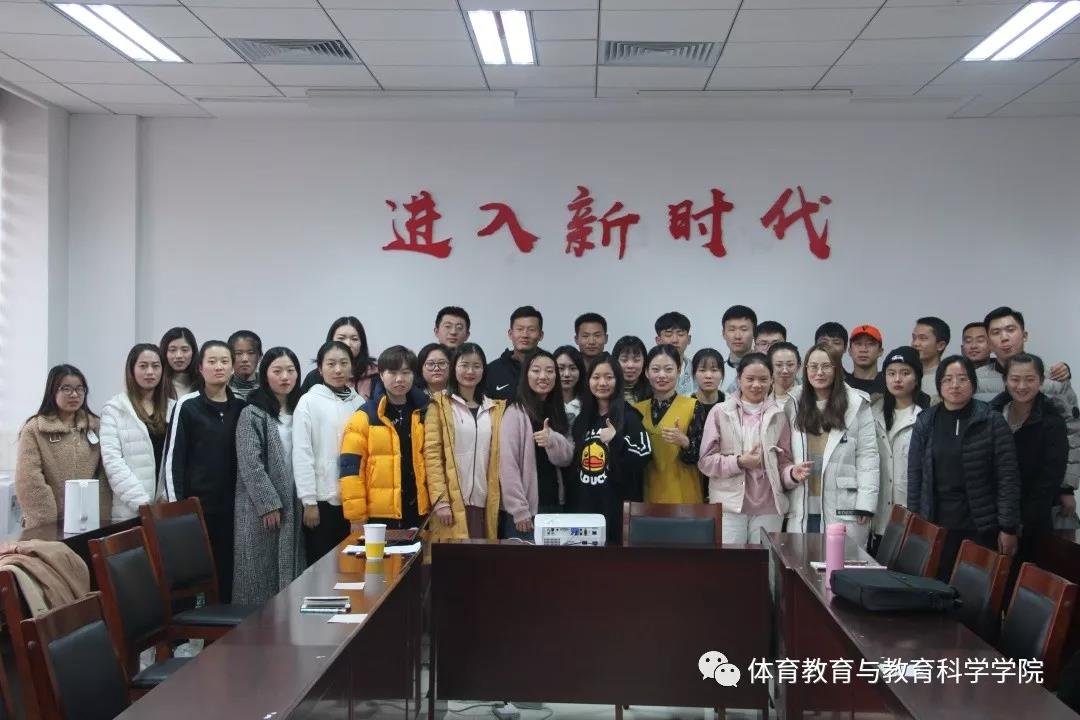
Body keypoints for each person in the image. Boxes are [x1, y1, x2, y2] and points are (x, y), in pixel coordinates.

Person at [907, 355, 1020, 579]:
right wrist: (915, 520)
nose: (955, 385)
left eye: (962, 379)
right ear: (939, 385)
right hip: (936, 522)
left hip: (980, 525)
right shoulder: (926, 421)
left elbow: (1008, 477)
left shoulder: (991, 420)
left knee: (975, 590)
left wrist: (1008, 527)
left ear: (973, 384)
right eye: (947, 379)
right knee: (935, 586)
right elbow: (915, 474)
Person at [975, 306, 1078, 533]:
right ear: (989, 342)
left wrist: (1067, 487)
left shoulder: (1053, 379)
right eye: (996, 332)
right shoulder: (975, 381)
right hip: (994, 493)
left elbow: (1073, 431)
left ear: (1025, 335)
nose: (1004, 337)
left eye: (1010, 330)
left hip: (1044, 489)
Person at [162, 340, 246, 601]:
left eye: (224, 361)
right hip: (196, 508)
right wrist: (177, 509)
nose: (218, 367)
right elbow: (172, 460)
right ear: (200, 368)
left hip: (233, 508)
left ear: (232, 368)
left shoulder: (241, 407)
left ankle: (224, 622)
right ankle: (191, 625)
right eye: (212, 361)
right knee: (194, 577)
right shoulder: (187, 406)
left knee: (227, 573)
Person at [699, 354, 812, 544]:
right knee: (731, 561)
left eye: (763, 379)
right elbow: (706, 462)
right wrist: (740, 462)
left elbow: (783, 464)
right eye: (750, 379)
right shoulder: (720, 412)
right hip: (730, 507)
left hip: (769, 508)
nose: (756, 385)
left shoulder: (779, 415)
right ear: (738, 379)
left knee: (764, 560)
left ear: (771, 380)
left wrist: (792, 474)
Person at [787, 343, 880, 547]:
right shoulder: (793, 402)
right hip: (802, 503)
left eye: (826, 366)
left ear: (837, 369)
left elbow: (868, 456)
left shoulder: (856, 404)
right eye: (813, 367)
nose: (819, 372)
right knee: (802, 561)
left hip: (842, 504)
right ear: (805, 370)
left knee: (839, 563)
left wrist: (866, 503)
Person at [233, 347, 305, 605]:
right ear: (265, 375)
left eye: (290, 370)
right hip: (259, 508)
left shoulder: (302, 409)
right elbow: (250, 463)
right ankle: (254, 626)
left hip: (294, 501)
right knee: (258, 573)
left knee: (291, 569)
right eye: (277, 371)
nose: (285, 377)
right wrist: (268, 503)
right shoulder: (252, 412)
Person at [340, 346, 431, 531]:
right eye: (393, 372)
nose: (400, 379)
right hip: (379, 516)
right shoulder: (365, 416)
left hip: (419, 512)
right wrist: (356, 517)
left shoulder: (425, 412)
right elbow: (351, 470)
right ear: (381, 375)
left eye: (406, 372)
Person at [424, 343, 505, 541]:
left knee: (481, 557)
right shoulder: (439, 405)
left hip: (484, 503)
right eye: (464, 365)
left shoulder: (494, 409)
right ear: (454, 368)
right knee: (452, 558)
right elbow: (432, 456)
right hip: (451, 505)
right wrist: (441, 501)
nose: (470, 371)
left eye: (476, 366)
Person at [567, 353, 651, 543]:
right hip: (584, 510)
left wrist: (616, 439)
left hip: (617, 511)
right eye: (596, 377)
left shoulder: (630, 416)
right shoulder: (582, 419)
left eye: (609, 377)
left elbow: (643, 456)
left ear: (618, 380)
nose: (602, 383)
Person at [988, 353, 1067, 553]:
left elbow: (1049, 480)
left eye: (1030, 379)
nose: (1022, 386)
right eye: (1015, 379)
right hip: (989, 517)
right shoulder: (991, 414)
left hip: (1031, 522)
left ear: (1041, 380)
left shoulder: (1053, 422)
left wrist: (1017, 524)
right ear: (1005, 380)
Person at [292, 341, 362, 566]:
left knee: (352, 566)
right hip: (321, 501)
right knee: (322, 567)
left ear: (351, 366)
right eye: (331, 364)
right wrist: (309, 501)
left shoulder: (359, 403)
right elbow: (302, 453)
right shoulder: (308, 401)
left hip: (353, 502)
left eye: (344, 363)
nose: (338, 370)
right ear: (320, 369)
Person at [15, 365, 110, 529]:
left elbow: (104, 473)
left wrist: (100, 515)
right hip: (49, 523)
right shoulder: (35, 429)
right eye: (66, 388)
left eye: (79, 389)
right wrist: (47, 523)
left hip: (90, 519)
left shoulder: (95, 426)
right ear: (52, 391)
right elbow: (29, 480)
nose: (74, 394)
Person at [499, 349, 573, 540]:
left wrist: (552, 440)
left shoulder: (558, 411)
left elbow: (567, 458)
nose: (543, 376)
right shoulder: (515, 412)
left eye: (549, 371)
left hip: (555, 504)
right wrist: (519, 509)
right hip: (525, 511)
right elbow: (507, 465)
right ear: (526, 375)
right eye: (536, 370)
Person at [100, 344, 173, 523]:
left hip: (165, 507)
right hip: (129, 508)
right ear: (131, 370)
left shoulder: (173, 407)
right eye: (143, 366)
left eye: (156, 366)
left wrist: (166, 496)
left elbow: (177, 458)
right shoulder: (115, 409)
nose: (150, 372)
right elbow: (112, 461)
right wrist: (142, 503)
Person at [870, 347, 930, 542]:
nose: (897, 379)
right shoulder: (871, 413)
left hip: (910, 515)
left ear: (917, 378)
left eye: (905, 373)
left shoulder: (926, 417)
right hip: (875, 515)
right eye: (891, 373)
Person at [634, 345, 707, 503]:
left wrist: (685, 442)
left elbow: (704, 457)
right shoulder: (636, 410)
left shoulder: (693, 406)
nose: (662, 375)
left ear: (679, 370)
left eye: (668, 369)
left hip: (684, 495)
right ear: (646, 372)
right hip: (647, 495)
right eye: (655, 369)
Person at [300, 317, 379, 400]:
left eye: (354, 339)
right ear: (331, 341)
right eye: (341, 338)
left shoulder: (375, 375)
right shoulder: (315, 376)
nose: (348, 344)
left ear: (362, 344)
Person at [487, 306, 545, 401]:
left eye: (531, 329)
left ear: (541, 335)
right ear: (510, 334)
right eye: (520, 329)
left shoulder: (551, 369)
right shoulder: (492, 371)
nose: (525, 335)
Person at [654, 311, 695, 396]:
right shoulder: (649, 371)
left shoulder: (697, 370)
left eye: (680, 334)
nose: (675, 340)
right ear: (658, 340)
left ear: (689, 339)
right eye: (668, 334)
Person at [720, 305, 756, 396]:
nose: (737, 336)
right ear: (723, 334)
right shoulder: (717, 372)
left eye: (744, 329)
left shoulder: (766, 369)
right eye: (732, 330)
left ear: (754, 333)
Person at [912, 316, 950, 402]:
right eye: (914, 338)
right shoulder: (905, 375)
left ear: (940, 345)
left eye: (922, 338)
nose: (915, 343)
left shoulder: (948, 378)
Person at [846, 325, 885, 399]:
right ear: (850, 351)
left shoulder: (890, 385)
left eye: (870, 344)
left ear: (880, 351)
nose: (863, 349)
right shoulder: (842, 387)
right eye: (858, 344)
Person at [159, 327, 198, 400]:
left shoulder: (203, 382)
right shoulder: (158, 383)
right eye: (172, 350)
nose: (179, 355)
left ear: (193, 352)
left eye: (185, 350)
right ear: (165, 353)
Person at [554, 345, 586, 427]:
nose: (567, 374)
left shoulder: (590, 404)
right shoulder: (545, 403)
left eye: (573, 368)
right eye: (561, 368)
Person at [613, 335, 649, 404]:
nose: (630, 365)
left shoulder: (654, 392)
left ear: (644, 361)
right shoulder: (607, 390)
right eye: (624, 360)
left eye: (636, 360)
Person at [227, 330, 262, 401]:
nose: (245, 359)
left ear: (260, 357)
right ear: (229, 356)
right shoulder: (221, 388)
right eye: (238, 353)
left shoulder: (271, 388)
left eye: (251, 353)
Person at [691, 348, 725, 415]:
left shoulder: (731, 405)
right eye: (702, 370)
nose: (708, 376)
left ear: (722, 374)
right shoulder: (684, 404)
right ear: (694, 374)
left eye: (714, 370)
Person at [768, 342, 801, 409]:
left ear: (798, 367)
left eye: (790, 365)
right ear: (770, 367)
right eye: (779, 365)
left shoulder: (807, 396)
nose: (785, 370)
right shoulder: (762, 396)